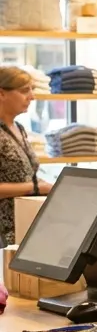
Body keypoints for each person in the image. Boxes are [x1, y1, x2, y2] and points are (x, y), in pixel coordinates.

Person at [0, 66, 50, 244]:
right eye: (24, 91)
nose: (32, 97)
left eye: (32, 90)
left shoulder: (19, 129)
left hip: (23, 224)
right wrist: (34, 188)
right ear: (2, 93)